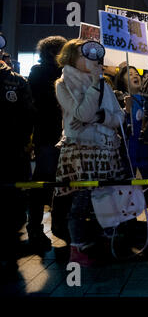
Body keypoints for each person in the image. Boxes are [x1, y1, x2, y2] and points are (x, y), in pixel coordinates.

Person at [54, 39, 125, 267]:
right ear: (72, 57)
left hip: (106, 150)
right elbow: (81, 114)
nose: (93, 59)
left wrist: (100, 117)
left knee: (107, 200)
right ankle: (78, 248)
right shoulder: (62, 84)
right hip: (80, 152)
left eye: (95, 54)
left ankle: (107, 243)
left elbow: (119, 117)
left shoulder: (105, 83)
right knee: (80, 203)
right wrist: (95, 86)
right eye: (86, 54)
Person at [113, 65, 148, 226]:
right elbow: (117, 125)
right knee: (128, 189)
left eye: (136, 73)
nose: (134, 76)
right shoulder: (119, 99)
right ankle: (129, 225)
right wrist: (126, 109)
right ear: (122, 82)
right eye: (129, 75)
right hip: (129, 152)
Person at [27, 36, 68, 253]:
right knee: (43, 183)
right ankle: (35, 228)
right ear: (53, 53)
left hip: (60, 136)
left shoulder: (63, 73)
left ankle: (57, 227)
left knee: (59, 183)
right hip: (48, 136)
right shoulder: (40, 72)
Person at [0, 57, 35, 281]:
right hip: (13, 152)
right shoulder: (16, 81)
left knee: (13, 200)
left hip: (12, 152)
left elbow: (29, 115)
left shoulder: (16, 82)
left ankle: (9, 249)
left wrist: (24, 143)